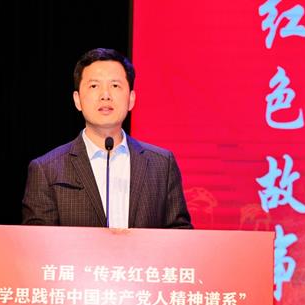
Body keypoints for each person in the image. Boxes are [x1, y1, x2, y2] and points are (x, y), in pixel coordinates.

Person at [22, 48, 192, 229]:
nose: (105, 95)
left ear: (131, 99)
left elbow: (179, 235)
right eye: (94, 86)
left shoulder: (162, 165)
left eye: (115, 86)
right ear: (77, 100)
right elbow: (38, 242)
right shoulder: (47, 169)